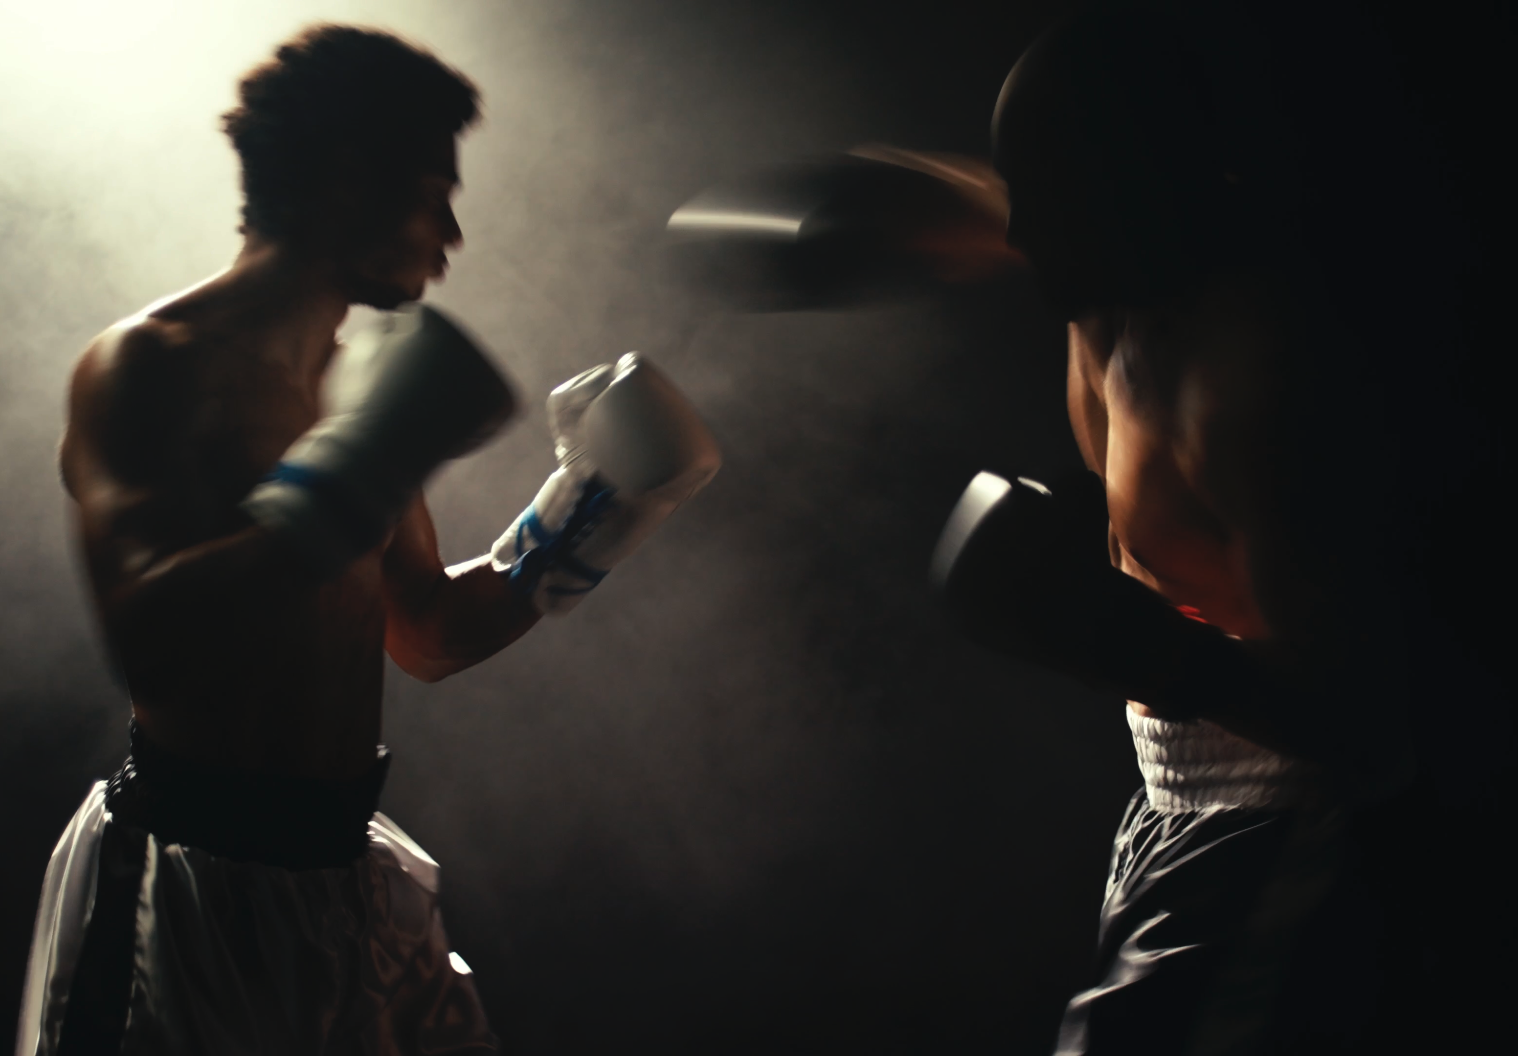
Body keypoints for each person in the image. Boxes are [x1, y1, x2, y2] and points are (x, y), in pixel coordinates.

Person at [17, 24, 719, 1055]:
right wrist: (363, 462)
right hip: (189, 881)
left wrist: (588, 512)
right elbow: (152, 640)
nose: (451, 232)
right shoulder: (149, 366)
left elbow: (427, 633)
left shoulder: (354, 387)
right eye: (434, 192)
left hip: (345, 878)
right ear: (350, 178)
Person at [933, 0, 1512, 1051]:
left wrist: (1118, 634)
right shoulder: (1102, 300)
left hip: (1290, 818)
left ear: (1136, 196)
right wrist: (919, 204)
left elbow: (1380, 735)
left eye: (1044, 198)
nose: (1019, 234)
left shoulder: (1257, 384)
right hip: (1167, 802)